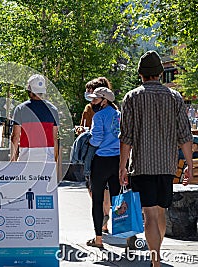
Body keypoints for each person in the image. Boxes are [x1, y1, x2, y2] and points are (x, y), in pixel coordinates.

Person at [119, 50, 193, 267]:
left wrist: (122, 167)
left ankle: (156, 260)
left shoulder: (132, 97)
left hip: (142, 165)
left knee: (149, 214)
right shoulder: (175, 97)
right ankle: (157, 255)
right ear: (160, 73)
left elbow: (127, 137)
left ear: (141, 74)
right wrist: (188, 164)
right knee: (160, 212)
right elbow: (184, 134)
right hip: (167, 165)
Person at [85, 87, 121, 249]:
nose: (92, 102)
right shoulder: (120, 115)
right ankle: (128, 236)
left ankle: (98, 239)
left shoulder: (99, 116)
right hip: (118, 160)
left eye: (95, 99)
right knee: (119, 200)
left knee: (98, 200)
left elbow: (97, 139)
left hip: (101, 161)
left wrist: (87, 141)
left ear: (104, 101)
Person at [81, 77, 113, 234]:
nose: (89, 97)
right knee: (108, 191)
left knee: (96, 191)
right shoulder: (115, 111)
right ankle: (106, 221)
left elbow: (95, 137)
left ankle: (100, 229)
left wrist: (86, 136)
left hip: (98, 155)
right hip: (115, 156)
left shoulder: (95, 112)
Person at [10, 74, 59, 163]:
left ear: (29, 91)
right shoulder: (53, 109)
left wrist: (12, 160)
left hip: (27, 159)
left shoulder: (21, 109)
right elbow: (54, 138)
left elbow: (15, 137)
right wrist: (55, 162)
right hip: (47, 160)